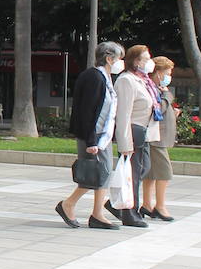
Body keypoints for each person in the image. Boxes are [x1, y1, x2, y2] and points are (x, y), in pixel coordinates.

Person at [56, 41, 125, 231]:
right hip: (92, 135)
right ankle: (68, 204)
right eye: (119, 58)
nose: (121, 62)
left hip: (102, 135)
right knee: (93, 174)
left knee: (102, 174)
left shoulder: (105, 77)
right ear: (109, 58)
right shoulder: (94, 77)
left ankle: (97, 214)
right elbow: (87, 111)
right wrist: (91, 140)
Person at [109, 44, 158, 228]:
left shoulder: (143, 80)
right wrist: (124, 141)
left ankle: (121, 205)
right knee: (133, 175)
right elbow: (123, 114)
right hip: (133, 130)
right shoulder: (126, 80)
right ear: (136, 61)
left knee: (143, 169)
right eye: (145, 59)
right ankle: (130, 212)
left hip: (143, 132)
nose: (149, 62)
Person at [142, 56, 178, 221]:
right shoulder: (154, 89)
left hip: (158, 136)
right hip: (156, 137)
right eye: (167, 73)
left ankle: (147, 204)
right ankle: (160, 205)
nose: (168, 76)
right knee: (164, 172)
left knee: (151, 173)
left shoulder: (157, 88)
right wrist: (168, 97)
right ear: (157, 73)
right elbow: (158, 110)